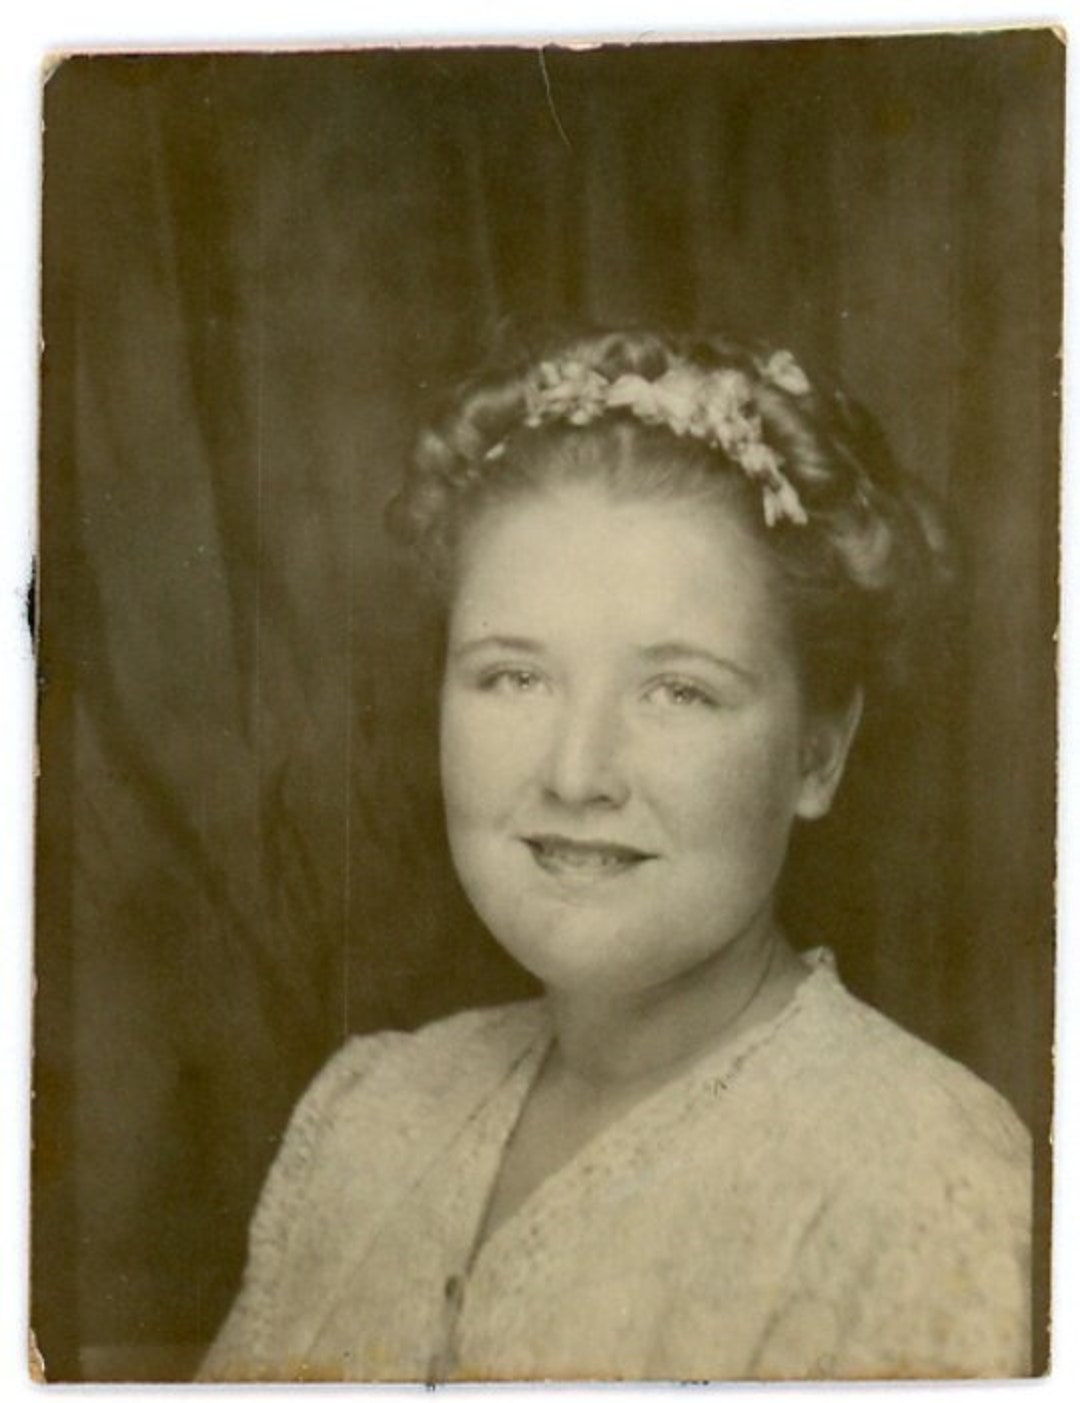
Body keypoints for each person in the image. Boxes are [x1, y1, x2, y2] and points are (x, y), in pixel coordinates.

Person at [199, 328, 1032, 1382]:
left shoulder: (922, 1175)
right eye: (512, 677)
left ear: (818, 754)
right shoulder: (367, 1113)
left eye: (678, 690)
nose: (577, 771)